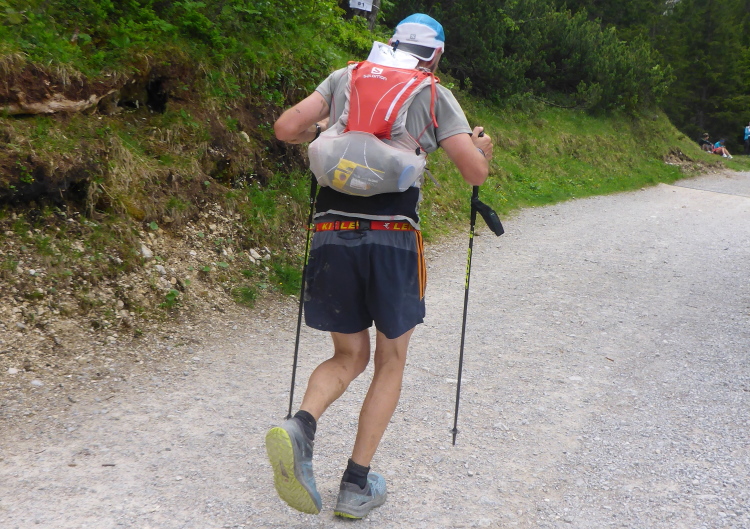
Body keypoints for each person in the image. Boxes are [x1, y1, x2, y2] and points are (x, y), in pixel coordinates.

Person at [265, 13, 493, 520]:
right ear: (436, 54)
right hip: (394, 240)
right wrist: (481, 149)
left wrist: (324, 130)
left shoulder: (346, 76)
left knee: (348, 356)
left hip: (331, 232)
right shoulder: (432, 93)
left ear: (390, 43)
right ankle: (354, 485)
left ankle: (301, 426)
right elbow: (473, 171)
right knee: (390, 360)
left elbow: (285, 128)